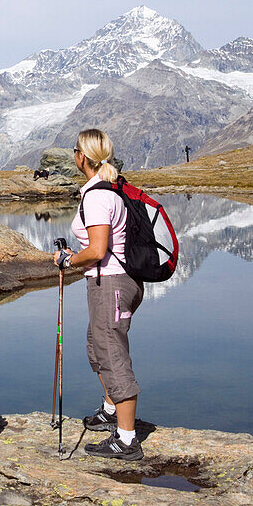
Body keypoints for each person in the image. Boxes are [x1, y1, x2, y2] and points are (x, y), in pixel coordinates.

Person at [53, 128, 145, 461]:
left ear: (82, 157)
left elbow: (96, 250)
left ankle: (126, 439)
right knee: (97, 344)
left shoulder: (96, 196)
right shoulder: (109, 188)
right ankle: (110, 409)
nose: (73, 155)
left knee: (112, 354)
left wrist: (68, 259)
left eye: (74, 150)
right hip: (113, 283)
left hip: (112, 284)